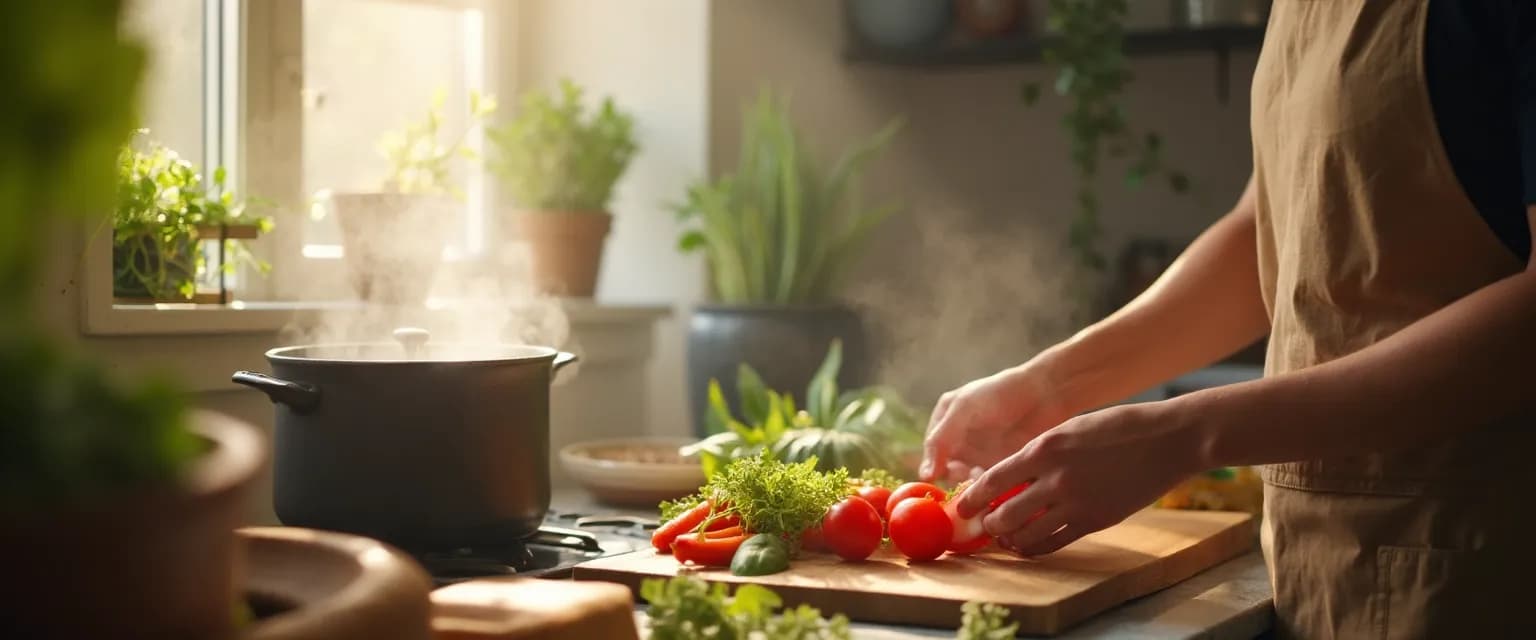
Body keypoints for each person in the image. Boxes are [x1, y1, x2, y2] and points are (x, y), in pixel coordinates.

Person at [924, 1, 1536, 637]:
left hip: (1485, 569)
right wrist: (1051, 386)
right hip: (1316, 571)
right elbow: (1269, 233)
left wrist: (1182, 435)